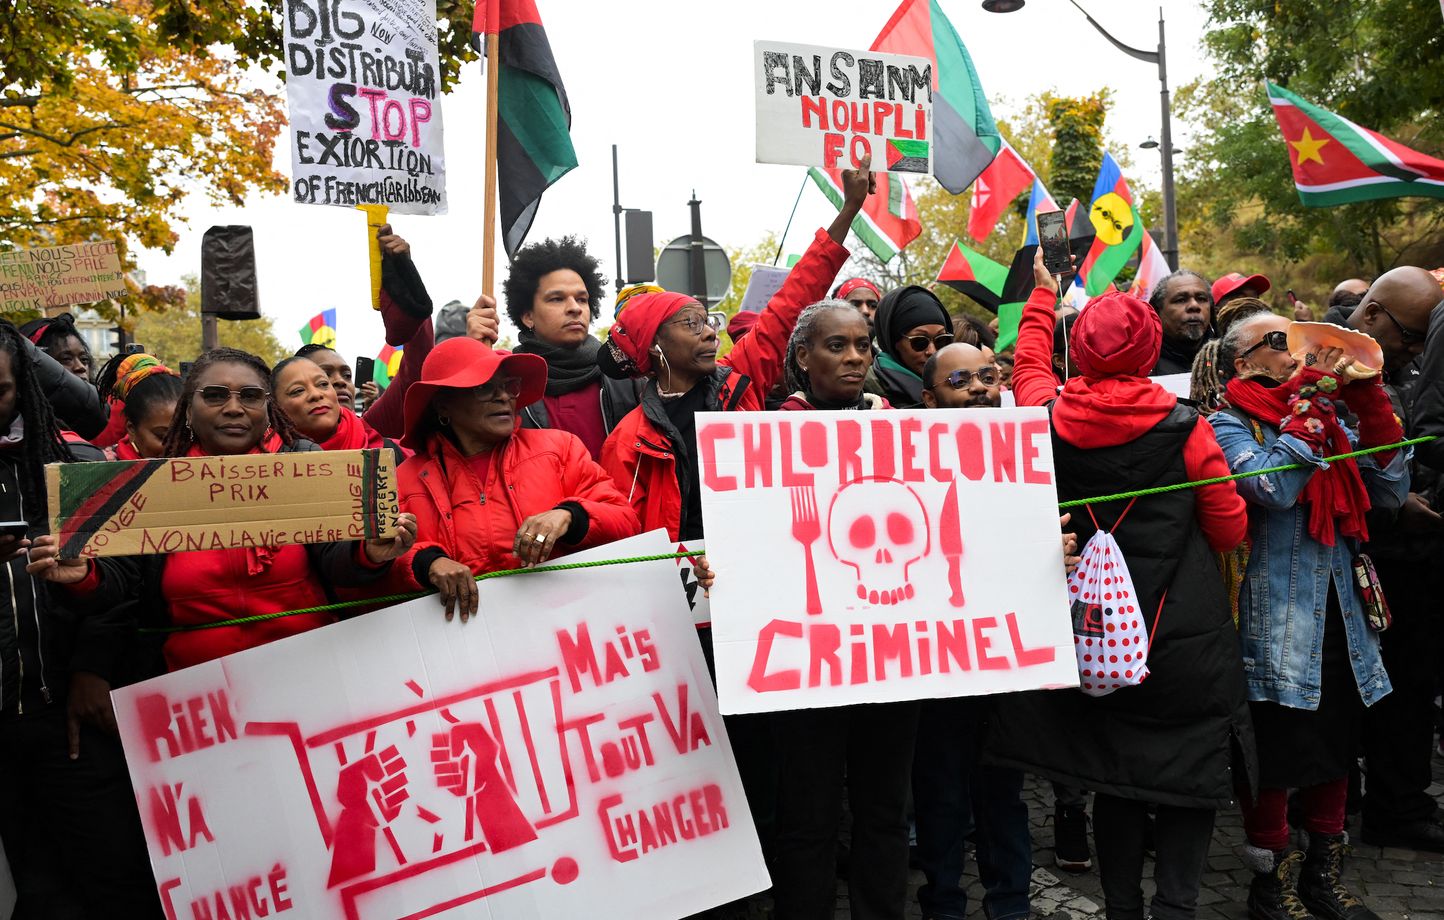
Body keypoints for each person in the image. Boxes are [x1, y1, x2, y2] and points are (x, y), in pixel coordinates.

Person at [990, 251, 1252, 920]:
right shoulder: (1187, 427)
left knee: (1116, 778)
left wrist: (1043, 299)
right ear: (1149, 345)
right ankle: (1177, 907)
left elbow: (1027, 372)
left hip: (1094, 637)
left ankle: (1120, 908)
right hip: (1181, 636)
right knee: (1188, 779)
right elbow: (1227, 530)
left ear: (1079, 350)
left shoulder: (1046, 418)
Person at [27, 347, 417, 673]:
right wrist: (83, 576)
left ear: (268, 408)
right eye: (215, 395)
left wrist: (371, 553)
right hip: (192, 692)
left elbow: (336, 559)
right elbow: (122, 587)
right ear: (188, 409)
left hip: (311, 672)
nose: (233, 407)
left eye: (249, 395)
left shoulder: (303, 463)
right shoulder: (151, 482)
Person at [1209, 312, 1408, 920]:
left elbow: (1390, 493)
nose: (1297, 351)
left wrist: (1368, 405)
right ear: (1242, 361)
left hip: (1340, 617)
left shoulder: (1332, 418)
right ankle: (1271, 887)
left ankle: (1323, 877)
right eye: (1279, 342)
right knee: (1276, 758)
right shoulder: (1224, 423)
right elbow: (1270, 489)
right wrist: (1309, 411)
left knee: (1335, 748)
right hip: (1273, 624)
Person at [599, 160, 869, 542]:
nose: (710, 333)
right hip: (686, 590)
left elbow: (794, 299)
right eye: (692, 324)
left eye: (709, 321)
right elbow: (625, 539)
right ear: (654, 345)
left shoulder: (739, 379)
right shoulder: (628, 442)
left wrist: (848, 211)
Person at [758, 299, 916, 920]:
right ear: (802, 358)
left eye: (863, 344)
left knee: (883, 810)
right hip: (809, 660)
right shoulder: (767, 437)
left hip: (893, 655)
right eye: (836, 345)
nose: (855, 356)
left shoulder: (900, 427)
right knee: (809, 813)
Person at [0, 321, 161, 918]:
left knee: (113, 881)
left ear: (25, 389)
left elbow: (127, 588)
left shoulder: (73, 466)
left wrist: (92, 658)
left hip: (64, 721)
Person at [910, 341, 1052, 920]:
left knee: (1002, 794)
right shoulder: (901, 459)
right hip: (935, 663)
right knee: (941, 793)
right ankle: (943, 902)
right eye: (959, 379)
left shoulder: (1031, 451)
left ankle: (1010, 905)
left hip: (1005, 657)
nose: (977, 388)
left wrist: (1056, 548)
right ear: (928, 398)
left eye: (988, 376)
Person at [394, 337, 640, 622]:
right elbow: (380, 566)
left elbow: (627, 521)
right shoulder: (406, 479)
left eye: (508, 386)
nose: (504, 397)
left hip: (568, 630)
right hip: (463, 648)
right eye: (485, 388)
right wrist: (428, 563)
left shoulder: (560, 448)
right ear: (443, 405)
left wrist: (570, 516)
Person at [1336, 268, 1444, 852]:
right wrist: (1391, 506)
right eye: (1412, 335)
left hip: (1415, 563)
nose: (1419, 349)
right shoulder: (1319, 366)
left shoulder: (1404, 366)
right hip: (1357, 561)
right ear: (1374, 315)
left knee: (1409, 692)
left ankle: (1400, 804)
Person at [504, 236, 640, 460]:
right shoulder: (508, 386)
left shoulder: (627, 378)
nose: (574, 308)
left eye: (582, 299)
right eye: (557, 299)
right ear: (528, 316)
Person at [271, 355, 405, 463]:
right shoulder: (266, 466)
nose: (316, 394)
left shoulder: (392, 453)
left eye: (323, 384)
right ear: (275, 407)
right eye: (298, 390)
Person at [862, 285, 953, 409]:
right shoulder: (863, 389)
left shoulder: (960, 383)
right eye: (920, 342)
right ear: (894, 342)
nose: (932, 351)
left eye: (941, 341)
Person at [95, 352, 183, 459]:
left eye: (186, 437)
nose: (176, 447)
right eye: (163, 437)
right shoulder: (107, 470)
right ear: (131, 429)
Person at [1148, 270, 1214, 375]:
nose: (1194, 306)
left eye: (1201, 299)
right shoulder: (1140, 365)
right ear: (1157, 311)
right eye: (1181, 300)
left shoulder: (1231, 360)